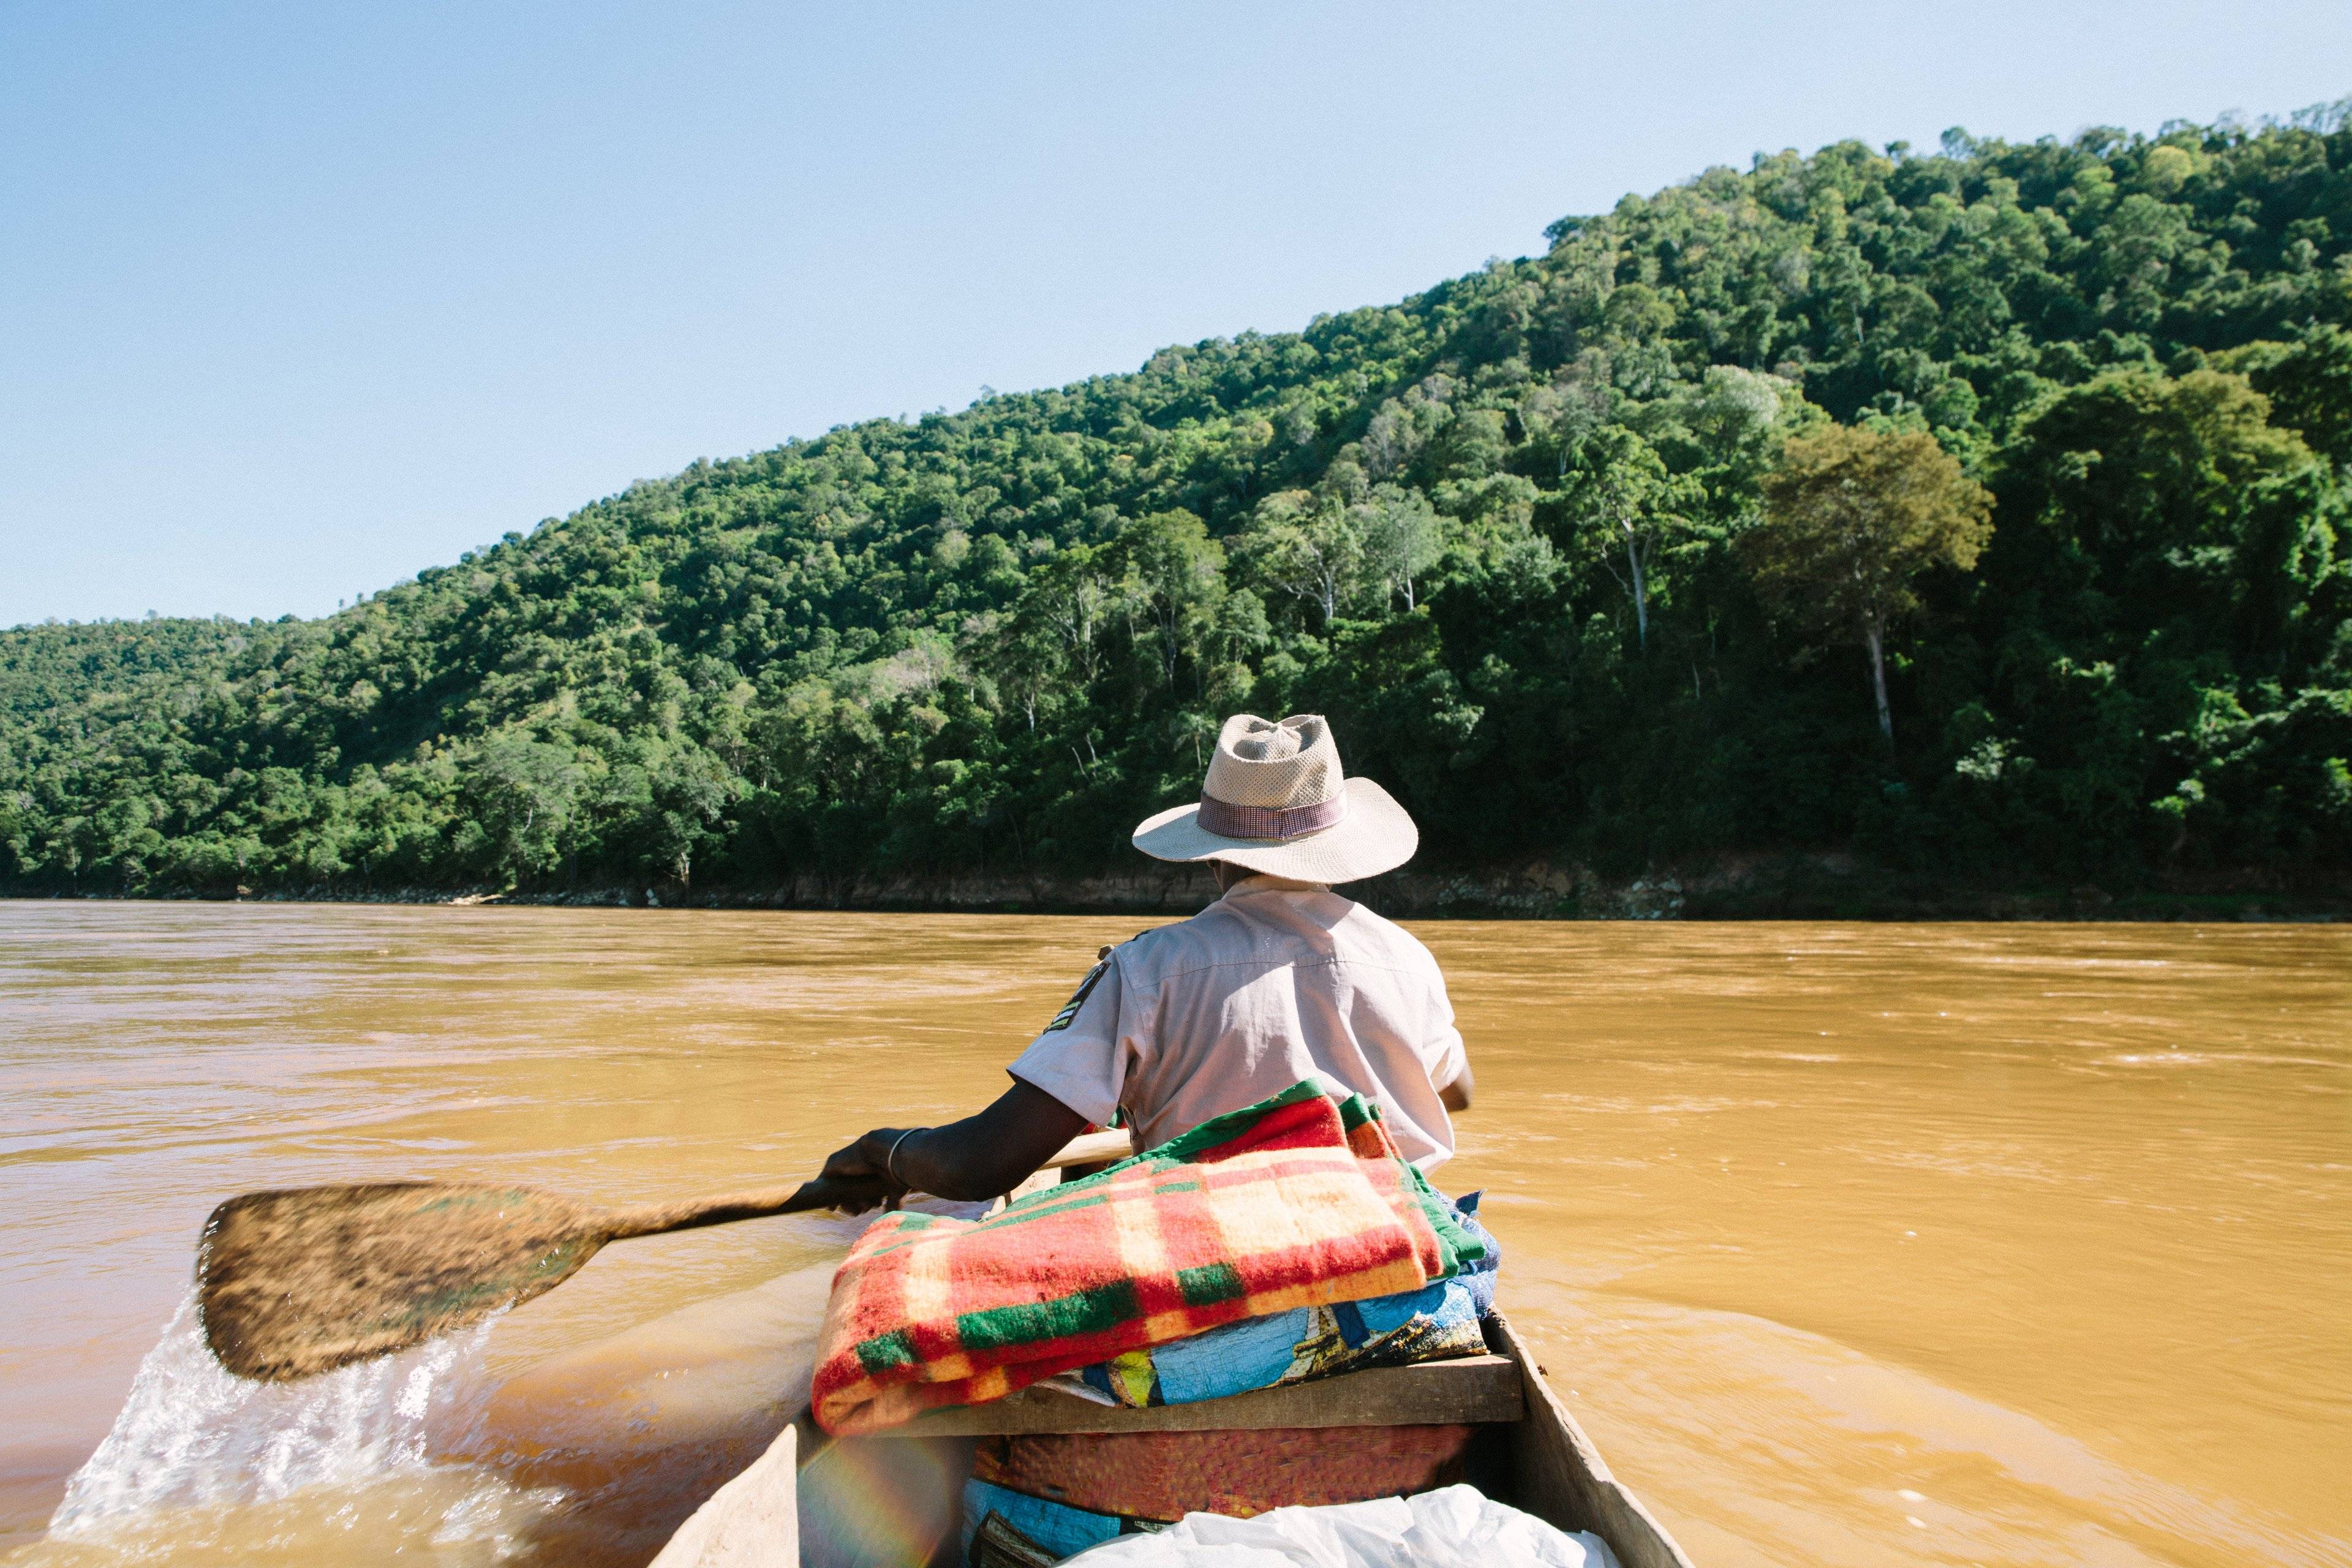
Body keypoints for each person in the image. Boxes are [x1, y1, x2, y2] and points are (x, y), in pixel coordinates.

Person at [809, 712, 1473, 1212]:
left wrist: (884, 1150)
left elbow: (981, 1164)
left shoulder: (1148, 969)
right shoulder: (1410, 960)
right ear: (1336, 843)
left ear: (1210, 853)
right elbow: (1457, 1092)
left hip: (1227, 1262)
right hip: (1392, 1244)